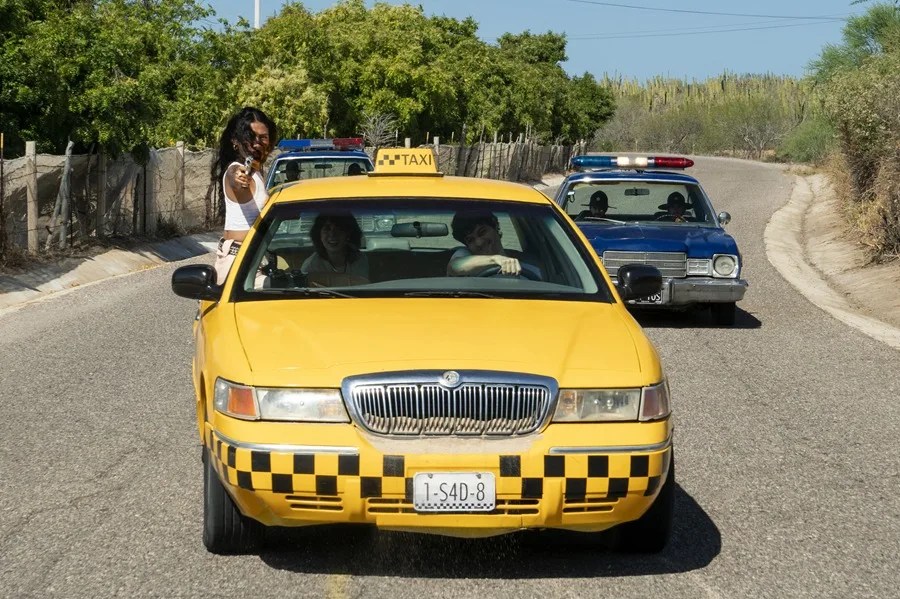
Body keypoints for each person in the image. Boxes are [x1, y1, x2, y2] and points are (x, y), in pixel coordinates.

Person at [211, 106, 277, 284]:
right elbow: (236, 177)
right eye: (250, 137)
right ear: (235, 141)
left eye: (263, 137)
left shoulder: (256, 173)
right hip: (239, 265)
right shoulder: (236, 169)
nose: (257, 143)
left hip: (253, 261)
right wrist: (239, 177)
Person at [447, 211, 540, 279]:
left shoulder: (529, 263)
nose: (479, 242)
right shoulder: (465, 254)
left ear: (495, 226)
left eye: (482, 232)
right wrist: (495, 259)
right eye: (470, 240)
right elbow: (454, 267)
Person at [301, 212, 370, 285]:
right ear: (319, 235)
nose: (332, 234)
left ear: (348, 234)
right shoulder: (310, 266)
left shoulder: (359, 259)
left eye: (339, 229)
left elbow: (363, 289)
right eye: (327, 229)